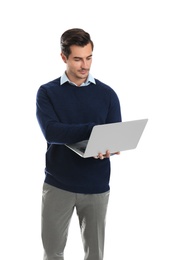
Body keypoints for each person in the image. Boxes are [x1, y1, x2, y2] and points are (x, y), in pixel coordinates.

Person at [36, 28, 122, 260]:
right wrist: (92, 129)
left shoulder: (108, 94)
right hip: (57, 185)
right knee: (52, 252)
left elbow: (114, 135)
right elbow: (51, 132)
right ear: (64, 57)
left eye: (89, 57)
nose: (85, 65)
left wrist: (110, 148)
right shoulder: (47, 92)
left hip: (96, 186)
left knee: (95, 254)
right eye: (77, 59)